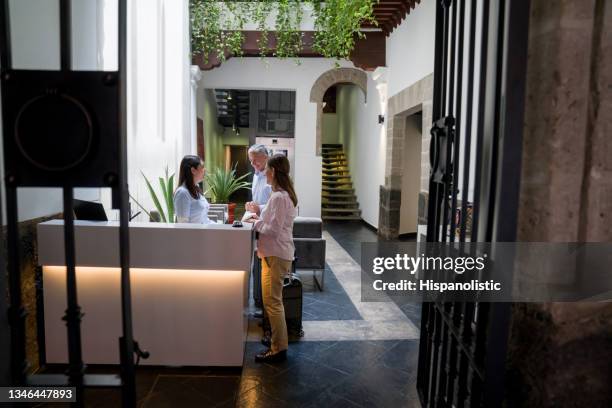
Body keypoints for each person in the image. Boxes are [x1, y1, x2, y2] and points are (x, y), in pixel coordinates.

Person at [244, 154, 298, 363]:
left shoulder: (278, 196)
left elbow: (272, 229)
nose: (264, 172)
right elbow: (273, 219)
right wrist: (259, 214)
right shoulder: (284, 195)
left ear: (274, 172)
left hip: (275, 254)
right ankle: (278, 340)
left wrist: (254, 222)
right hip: (279, 253)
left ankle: (278, 348)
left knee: (273, 303)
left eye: (267, 169)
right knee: (274, 302)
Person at [173, 155, 214, 224]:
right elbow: (183, 225)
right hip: (195, 234)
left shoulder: (196, 189)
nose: (205, 170)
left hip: (204, 232)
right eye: (202, 167)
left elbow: (204, 220)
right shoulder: (182, 193)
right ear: (193, 170)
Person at [243, 144, 272, 219]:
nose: (252, 163)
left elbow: (279, 204)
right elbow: (258, 200)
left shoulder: (273, 176)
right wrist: (251, 205)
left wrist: (259, 208)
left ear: (266, 157)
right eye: (250, 160)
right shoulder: (256, 175)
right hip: (258, 220)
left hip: (270, 222)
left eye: (255, 160)